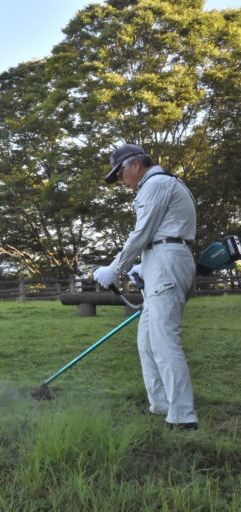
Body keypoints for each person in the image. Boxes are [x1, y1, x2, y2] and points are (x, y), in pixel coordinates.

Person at [93, 144, 198, 430]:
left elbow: (142, 233)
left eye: (121, 174)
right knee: (147, 342)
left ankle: (183, 417)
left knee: (164, 342)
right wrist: (141, 267)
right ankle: (160, 405)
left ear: (135, 164)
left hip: (166, 260)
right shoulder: (162, 184)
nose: (122, 181)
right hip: (161, 258)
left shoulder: (156, 184)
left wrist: (115, 269)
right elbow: (158, 235)